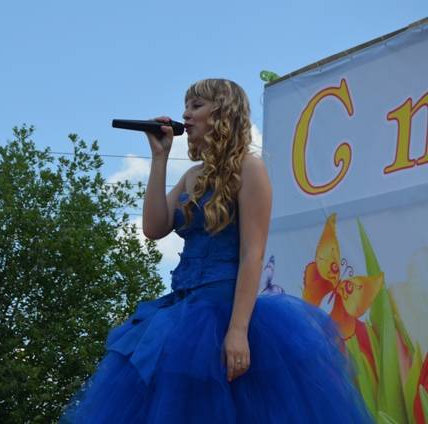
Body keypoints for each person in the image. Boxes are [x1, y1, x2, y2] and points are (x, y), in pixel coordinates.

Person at [60, 79, 372, 423]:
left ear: (223, 112)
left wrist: (237, 331)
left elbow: (252, 254)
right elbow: (153, 227)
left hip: (226, 313)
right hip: (181, 312)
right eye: (186, 106)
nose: (185, 114)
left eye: (196, 106)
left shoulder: (250, 168)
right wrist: (159, 157)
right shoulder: (191, 176)